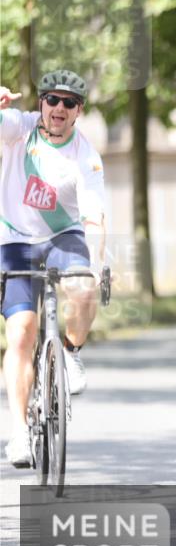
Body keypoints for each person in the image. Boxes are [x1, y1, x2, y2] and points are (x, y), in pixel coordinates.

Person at [1, 71, 106, 467]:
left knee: (83, 288)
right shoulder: (18, 128)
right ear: (41, 103)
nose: (59, 108)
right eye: (52, 100)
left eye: (69, 103)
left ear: (78, 111)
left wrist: (98, 263)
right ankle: (18, 432)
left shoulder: (86, 155)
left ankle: (72, 352)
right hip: (13, 241)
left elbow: (94, 216)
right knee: (22, 331)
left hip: (64, 236)